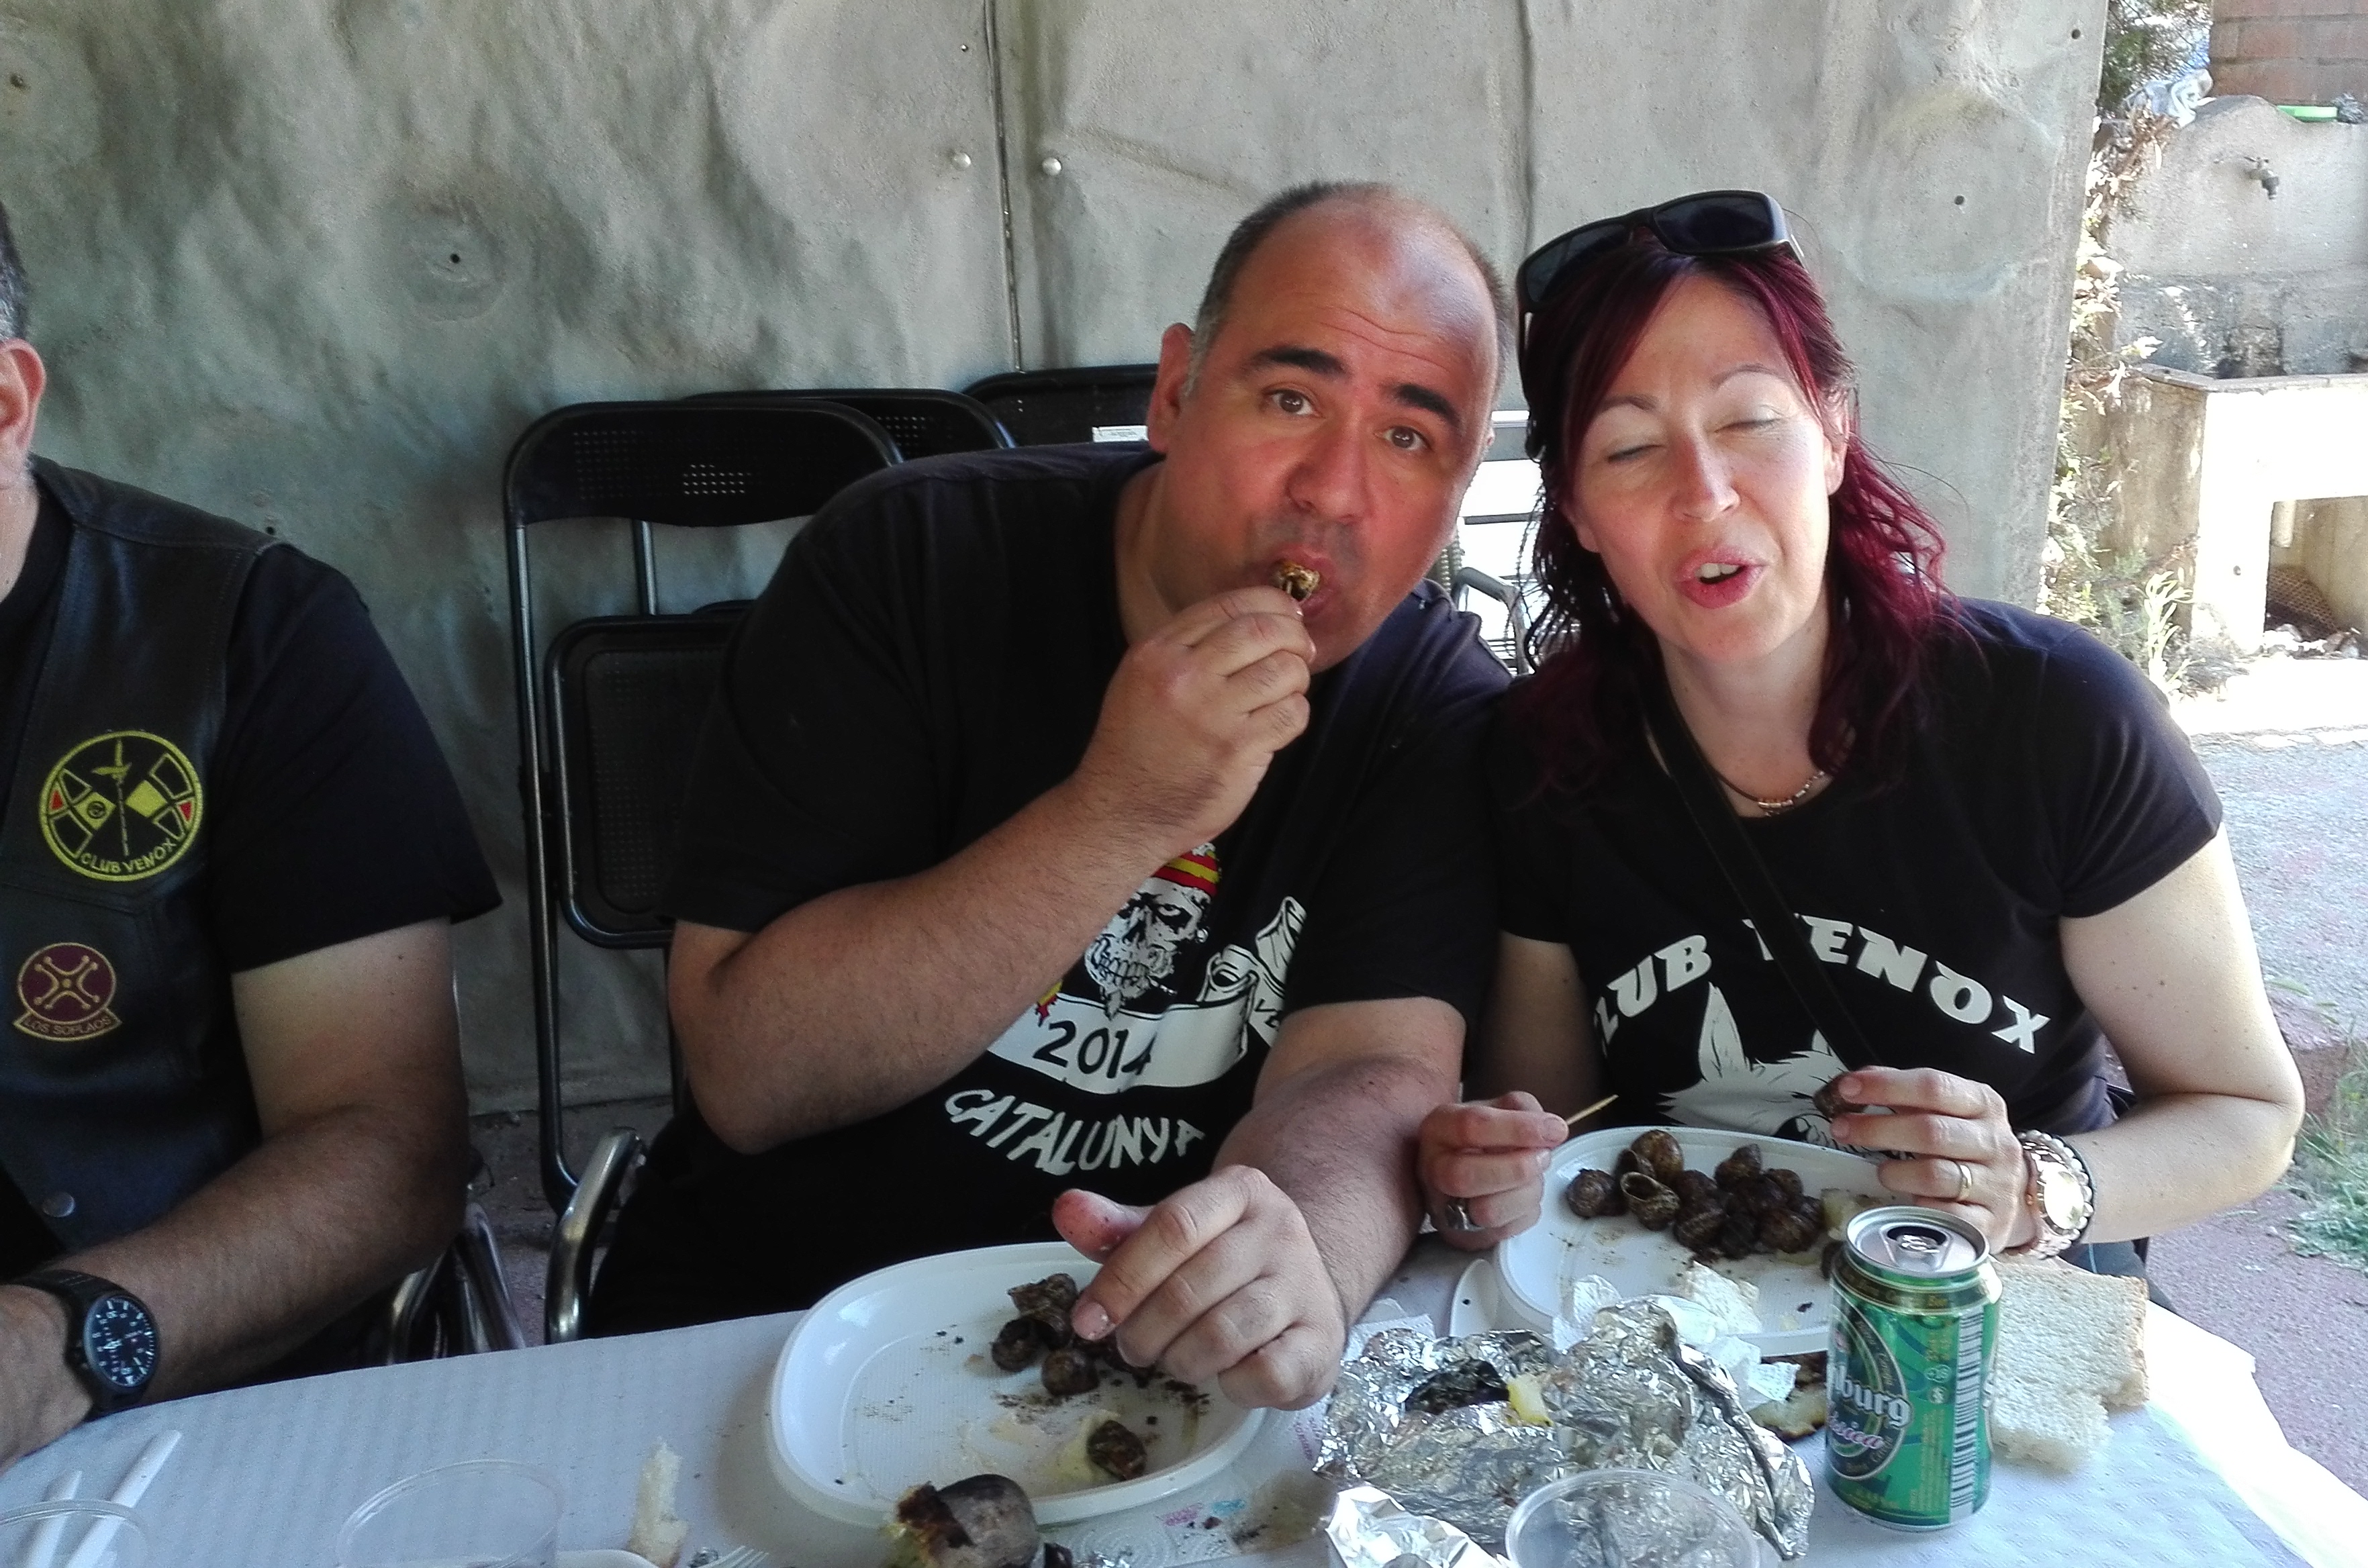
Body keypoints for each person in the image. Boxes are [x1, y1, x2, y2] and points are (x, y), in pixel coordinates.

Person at [586, 183, 1511, 1410]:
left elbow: (1371, 1071)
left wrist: (1297, 1260)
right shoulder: (908, 562)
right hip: (775, 1326)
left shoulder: (1434, 707)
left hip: (1153, 1364)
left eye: (1408, 439)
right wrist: (1121, 811)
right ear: (1175, 393)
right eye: (1291, 399)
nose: (1333, 492)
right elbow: (751, 1080)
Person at [1414, 191, 2304, 1269]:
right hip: (1685, 1314)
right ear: (1578, 513)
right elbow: (1552, 1128)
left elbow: (2245, 1111)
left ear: (1834, 431)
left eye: (1750, 422)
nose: (1704, 495)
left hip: (1980, 1312)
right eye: (1631, 448)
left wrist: (2037, 1188)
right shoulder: (1547, 758)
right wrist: (1488, 1174)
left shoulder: (2056, 720)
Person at [0, 201, 499, 1467]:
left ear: (6, 404)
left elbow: (388, 1149)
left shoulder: (251, 641)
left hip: (167, 1395)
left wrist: (57, 1350)